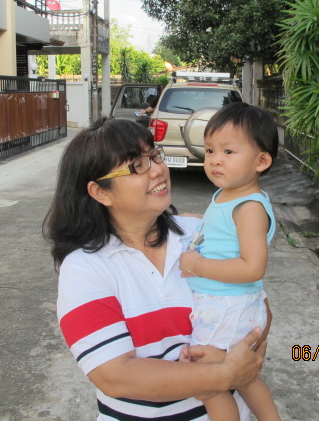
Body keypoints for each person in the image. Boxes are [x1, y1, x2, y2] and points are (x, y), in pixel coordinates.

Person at [43, 117, 271, 420]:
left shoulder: (197, 233)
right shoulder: (85, 268)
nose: (157, 169)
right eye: (138, 165)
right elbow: (115, 376)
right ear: (100, 192)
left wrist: (237, 347)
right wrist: (225, 374)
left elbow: (257, 305)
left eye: (155, 155)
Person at [179, 103, 282, 421]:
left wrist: (196, 265)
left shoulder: (249, 208)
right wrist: (198, 220)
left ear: (261, 161)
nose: (215, 160)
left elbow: (252, 268)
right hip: (226, 303)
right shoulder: (231, 196)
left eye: (228, 151)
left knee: (208, 382)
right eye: (210, 150)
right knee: (244, 379)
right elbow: (224, 233)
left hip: (227, 305)